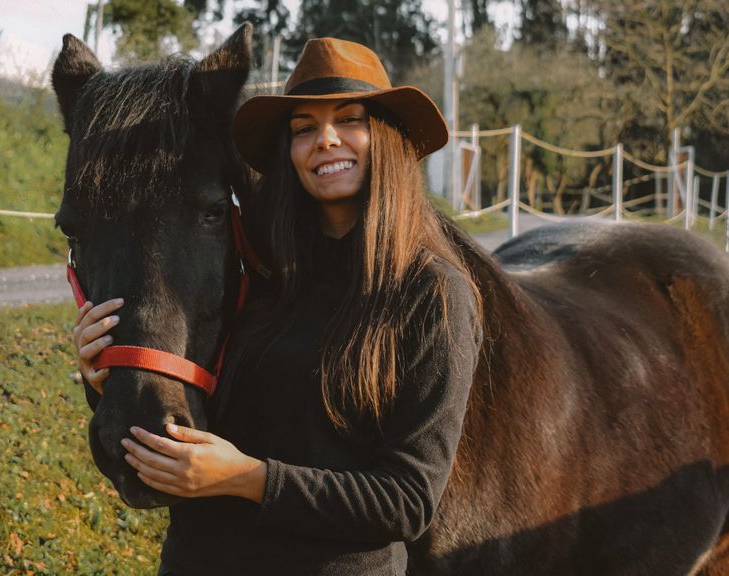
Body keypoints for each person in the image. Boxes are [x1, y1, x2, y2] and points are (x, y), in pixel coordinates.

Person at [72, 37, 483, 575]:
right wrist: (106, 374)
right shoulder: (260, 268)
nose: (326, 140)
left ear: (386, 135)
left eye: (349, 119)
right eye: (304, 128)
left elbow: (407, 501)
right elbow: (183, 403)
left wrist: (246, 478)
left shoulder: (433, 296)